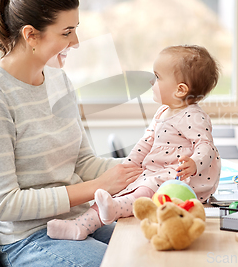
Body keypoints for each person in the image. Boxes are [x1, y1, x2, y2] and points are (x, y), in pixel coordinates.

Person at [0, 0, 142, 267]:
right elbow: (6, 204)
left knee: (152, 251)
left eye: (76, 29)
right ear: (31, 35)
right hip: (28, 240)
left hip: (81, 223)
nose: (76, 41)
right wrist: (99, 186)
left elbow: (83, 162)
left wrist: (147, 167)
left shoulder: (59, 80)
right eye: (66, 32)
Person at [47, 45, 222, 241]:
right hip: (158, 171)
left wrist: (195, 163)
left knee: (142, 192)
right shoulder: (163, 112)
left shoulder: (193, 116)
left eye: (157, 77)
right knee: (119, 190)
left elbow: (205, 146)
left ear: (180, 90)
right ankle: (81, 225)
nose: (151, 81)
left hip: (179, 178)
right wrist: (129, 163)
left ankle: (111, 210)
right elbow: (146, 141)